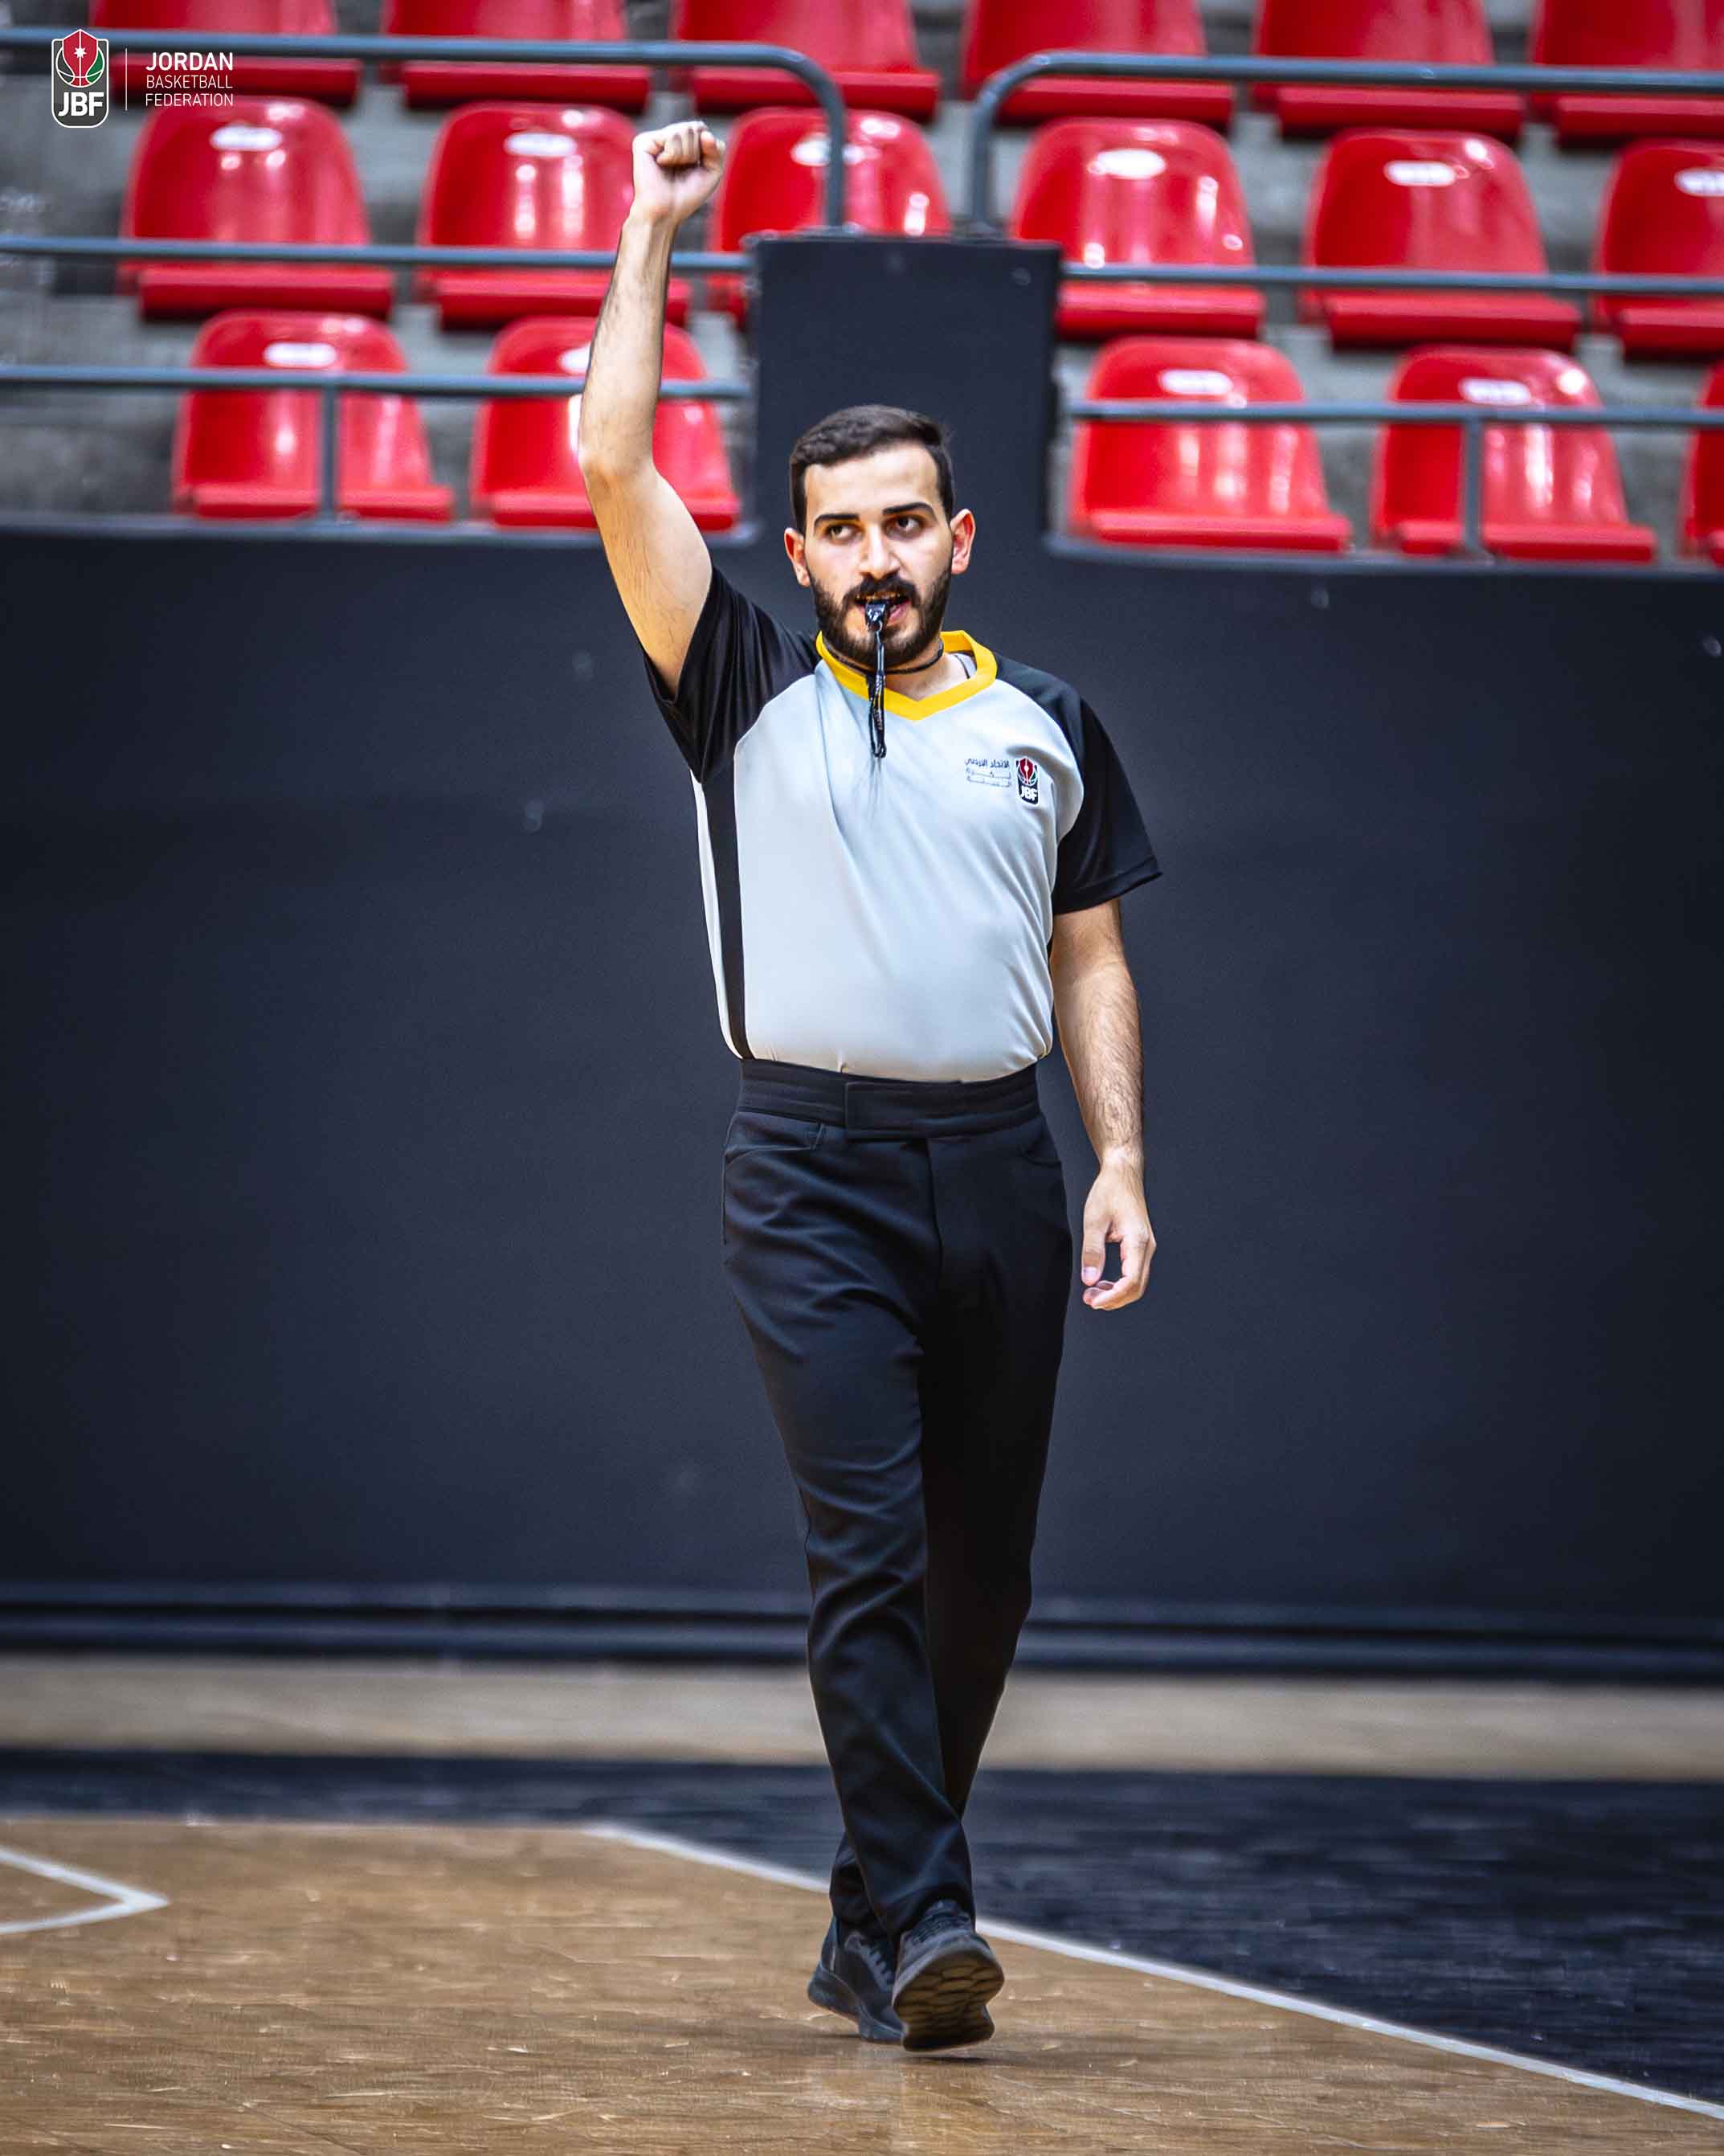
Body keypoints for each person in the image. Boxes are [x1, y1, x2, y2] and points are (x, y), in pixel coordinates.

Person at [577, 118, 1162, 2055]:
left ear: (953, 539)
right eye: (840, 529)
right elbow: (610, 460)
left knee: (981, 1576)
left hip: (1001, 1163)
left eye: (904, 522)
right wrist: (653, 228)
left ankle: (864, 1919)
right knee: (864, 1555)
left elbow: (1091, 954)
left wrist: (1117, 1161)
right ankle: (924, 1920)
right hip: (807, 1169)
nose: (874, 556)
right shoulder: (736, 686)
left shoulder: (1047, 724)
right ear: (802, 553)